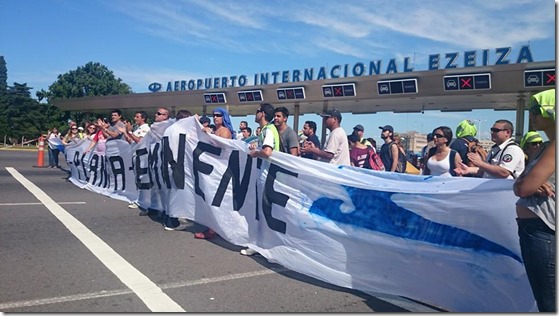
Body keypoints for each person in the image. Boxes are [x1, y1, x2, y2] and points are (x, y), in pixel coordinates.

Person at [513, 88, 555, 312]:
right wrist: (525, 183)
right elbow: (519, 185)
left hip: (544, 230)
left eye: (536, 110)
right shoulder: (544, 148)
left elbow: (524, 186)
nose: (532, 115)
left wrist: (525, 184)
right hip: (532, 229)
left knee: (549, 300)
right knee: (543, 297)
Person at [240, 103, 281, 256]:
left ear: (262, 114)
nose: (255, 113)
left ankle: (261, 245)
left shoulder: (269, 129)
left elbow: (268, 152)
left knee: (264, 210)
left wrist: (256, 153)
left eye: (257, 111)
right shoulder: (266, 130)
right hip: (268, 173)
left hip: (269, 173)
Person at [194, 107, 236, 239]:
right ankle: (214, 226)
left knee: (217, 199)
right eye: (214, 115)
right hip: (213, 168)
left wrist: (209, 134)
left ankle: (213, 229)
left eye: (218, 115)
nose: (215, 117)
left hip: (222, 169)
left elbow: (220, 146)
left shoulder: (225, 131)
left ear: (224, 117)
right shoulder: (215, 130)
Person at [454, 119, 525, 179]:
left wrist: (480, 163)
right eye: (492, 130)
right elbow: (486, 171)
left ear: (507, 132)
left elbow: (504, 172)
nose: (492, 133)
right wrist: (468, 170)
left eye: (496, 130)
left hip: (505, 191)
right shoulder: (495, 149)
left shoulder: (512, 149)